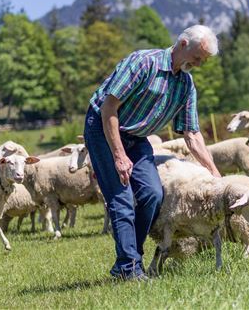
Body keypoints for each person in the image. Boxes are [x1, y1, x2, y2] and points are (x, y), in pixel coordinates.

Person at [83, 24, 222, 281]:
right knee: (122, 199)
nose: (199, 64)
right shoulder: (142, 63)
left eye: (203, 60)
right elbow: (108, 109)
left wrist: (215, 173)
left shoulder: (186, 85)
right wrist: (119, 155)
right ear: (182, 44)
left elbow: (191, 134)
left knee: (152, 194)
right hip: (104, 128)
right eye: (197, 57)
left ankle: (130, 260)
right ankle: (129, 268)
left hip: (136, 137)